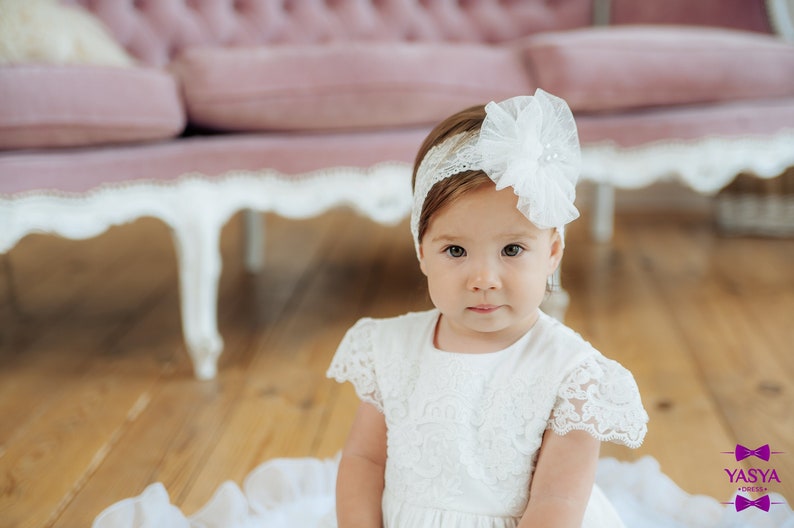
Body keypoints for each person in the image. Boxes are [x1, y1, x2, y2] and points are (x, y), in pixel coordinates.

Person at [326, 89, 649, 528]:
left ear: (552, 251)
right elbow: (364, 461)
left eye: (512, 249)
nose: (483, 278)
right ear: (422, 251)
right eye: (455, 250)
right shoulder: (391, 349)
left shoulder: (572, 376)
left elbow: (557, 501)